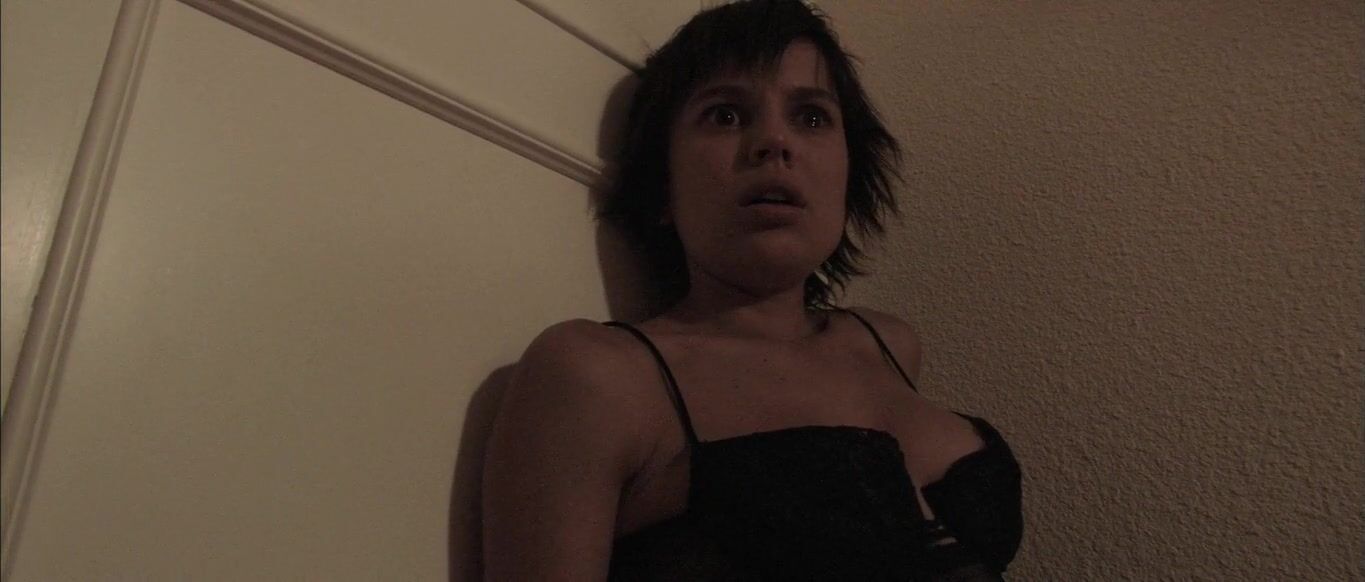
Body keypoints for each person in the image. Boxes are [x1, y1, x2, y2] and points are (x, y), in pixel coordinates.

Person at [482, 1, 1023, 579]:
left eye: (811, 117)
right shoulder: (596, 376)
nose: (775, 141)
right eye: (725, 115)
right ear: (662, 184)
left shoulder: (889, 342)